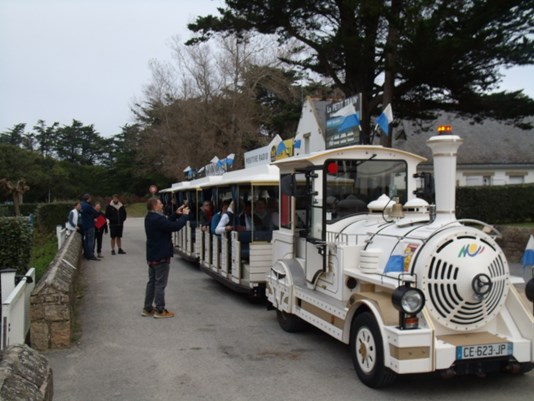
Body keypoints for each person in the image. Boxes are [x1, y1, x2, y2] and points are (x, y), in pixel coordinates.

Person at [142, 198, 190, 318]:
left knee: (152, 282)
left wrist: (175, 214)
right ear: (155, 206)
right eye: (160, 203)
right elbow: (175, 227)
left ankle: (147, 308)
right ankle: (160, 310)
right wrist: (184, 216)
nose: (162, 204)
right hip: (161, 255)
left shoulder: (150, 217)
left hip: (152, 254)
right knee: (160, 283)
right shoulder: (158, 218)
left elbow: (166, 223)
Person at [80, 194, 99, 261]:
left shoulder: (81, 205)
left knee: (86, 241)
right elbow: (95, 214)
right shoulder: (88, 206)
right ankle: (90, 255)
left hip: (84, 225)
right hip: (90, 225)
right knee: (91, 241)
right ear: (88, 198)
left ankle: (86, 254)